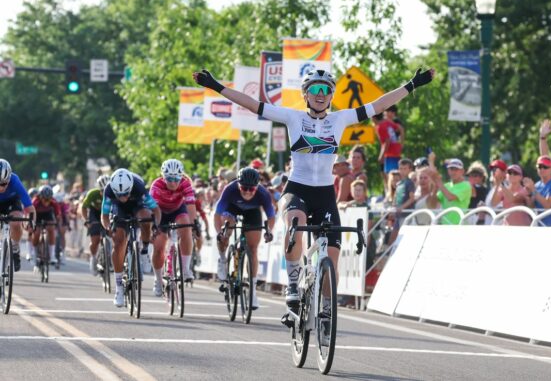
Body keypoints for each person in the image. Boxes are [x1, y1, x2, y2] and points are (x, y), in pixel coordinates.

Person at [193, 65, 435, 327]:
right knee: (295, 222)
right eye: (315, 90)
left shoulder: (339, 119)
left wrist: (412, 84)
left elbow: (378, 105)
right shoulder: (293, 118)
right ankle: (294, 286)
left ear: (331, 96)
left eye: (326, 90)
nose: (321, 94)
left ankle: (327, 310)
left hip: (324, 194)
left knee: (332, 258)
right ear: (305, 94)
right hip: (297, 188)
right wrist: (216, 86)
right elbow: (253, 104)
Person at [213, 167, 275, 310]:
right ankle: (223, 259)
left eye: (251, 189)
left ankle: (252, 292)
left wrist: (269, 230)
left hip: (252, 212)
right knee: (227, 228)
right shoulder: (230, 189)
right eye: (244, 188)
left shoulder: (263, 193)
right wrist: (219, 232)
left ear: (257, 187)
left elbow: (271, 216)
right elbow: (217, 215)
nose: (247, 191)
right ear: (238, 184)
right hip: (232, 209)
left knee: (253, 249)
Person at [101, 168, 161, 307]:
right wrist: (107, 227)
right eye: (119, 195)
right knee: (119, 241)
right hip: (119, 210)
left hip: (137, 206)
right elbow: (104, 215)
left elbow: (156, 210)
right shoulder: (109, 190)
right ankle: (119, 287)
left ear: (131, 188)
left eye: (126, 194)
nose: (123, 198)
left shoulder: (138, 187)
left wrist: (155, 226)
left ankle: (144, 250)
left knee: (146, 218)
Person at [149, 159, 197, 297]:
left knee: (187, 228)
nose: (173, 182)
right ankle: (158, 280)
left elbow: (191, 207)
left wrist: (193, 224)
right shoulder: (157, 185)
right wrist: (154, 226)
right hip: (160, 212)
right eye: (169, 179)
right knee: (159, 245)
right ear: (163, 177)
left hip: (177, 210)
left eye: (176, 178)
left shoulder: (185, 183)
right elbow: (152, 210)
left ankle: (185, 268)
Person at [0, 159, 35, 271]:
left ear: (9, 179)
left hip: (12, 202)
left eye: (4, 184)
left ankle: (15, 249)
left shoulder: (15, 181)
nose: (1, 188)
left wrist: (32, 223)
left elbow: (30, 208)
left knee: (16, 223)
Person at [80, 174, 110, 275]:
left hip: (107, 213)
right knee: (95, 239)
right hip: (95, 214)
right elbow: (83, 207)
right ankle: (93, 258)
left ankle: (109, 257)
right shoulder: (92, 194)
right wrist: (86, 220)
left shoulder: (112, 193)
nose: (104, 193)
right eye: (102, 191)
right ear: (99, 189)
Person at [428, 158, 472, 225]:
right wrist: (435, 189)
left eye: (456, 169)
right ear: (448, 171)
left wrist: (439, 182)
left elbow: (450, 197)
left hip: (459, 225)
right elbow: (432, 205)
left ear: (462, 171)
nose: (453, 172)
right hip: (445, 226)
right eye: (451, 169)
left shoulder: (466, 185)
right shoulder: (446, 186)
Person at [523, 155, 551, 227]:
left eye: (545, 167)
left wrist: (533, 190)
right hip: (539, 225)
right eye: (539, 166)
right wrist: (528, 195)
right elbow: (532, 207)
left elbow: (547, 205)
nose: (542, 169)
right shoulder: (536, 185)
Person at [31, 185, 61, 270]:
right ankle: (34, 253)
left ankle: (52, 256)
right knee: (36, 233)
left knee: (51, 230)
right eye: (44, 199)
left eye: (48, 199)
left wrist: (57, 223)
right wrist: (31, 224)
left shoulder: (53, 201)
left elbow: (58, 214)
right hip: (37, 216)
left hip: (48, 216)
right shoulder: (35, 201)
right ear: (40, 197)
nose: (46, 202)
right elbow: (31, 213)